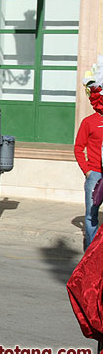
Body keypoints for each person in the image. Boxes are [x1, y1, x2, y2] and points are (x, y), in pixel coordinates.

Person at [75, 60, 103, 248]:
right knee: (91, 214)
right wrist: (87, 171)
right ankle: (91, 253)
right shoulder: (89, 122)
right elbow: (78, 147)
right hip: (95, 174)